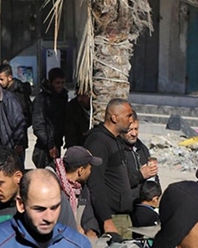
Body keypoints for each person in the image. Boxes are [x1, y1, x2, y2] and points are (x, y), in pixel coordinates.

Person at [83, 98, 134, 238]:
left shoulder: (116, 140)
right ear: (114, 117)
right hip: (110, 219)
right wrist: (107, 220)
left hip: (122, 216)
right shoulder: (99, 142)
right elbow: (95, 183)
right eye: (128, 115)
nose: (131, 120)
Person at [53, 146, 102, 238]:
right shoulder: (52, 187)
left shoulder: (81, 188)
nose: (91, 172)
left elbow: (88, 214)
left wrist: (91, 230)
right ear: (80, 171)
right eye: (90, 168)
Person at [31, 68, 67, 169]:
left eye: (62, 82)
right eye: (57, 83)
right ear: (50, 82)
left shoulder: (62, 98)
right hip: (44, 147)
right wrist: (50, 145)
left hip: (57, 144)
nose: (60, 86)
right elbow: (38, 125)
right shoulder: (41, 100)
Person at [122, 118, 157, 201]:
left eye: (136, 129)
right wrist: (140, 175)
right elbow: (118, 183)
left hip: (143, 203)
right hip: (125, 204)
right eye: (130, 130)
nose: (134, 134)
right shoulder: (116, 150)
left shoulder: (141, 148)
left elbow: (152, 175)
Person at [0, 63, 33, 129]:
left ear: (10, 78)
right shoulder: (0, 91)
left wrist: (18, 129)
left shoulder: (19, 93)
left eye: (2, 79)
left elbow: (27, 115)